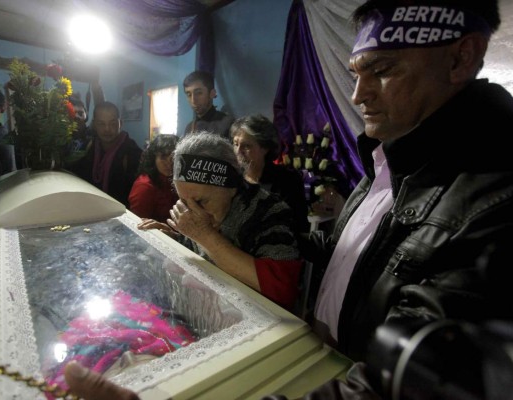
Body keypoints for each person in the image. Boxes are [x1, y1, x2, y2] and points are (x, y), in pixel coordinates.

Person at [63, 0, 513, 398]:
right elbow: (347, 256)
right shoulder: (385, 163)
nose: (359, 95)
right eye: (356, 72)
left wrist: (225, 237)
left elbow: (403, 382)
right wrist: (190, 239)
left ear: (460, 58)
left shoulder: (492, 202)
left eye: (384, 70)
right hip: (320, 354)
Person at [139, 132, 303, 310]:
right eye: (184, 201)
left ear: (231, 188)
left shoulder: (268, 210)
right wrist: (174, 239)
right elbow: (200, 252)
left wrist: (204, 236)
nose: (191, 212)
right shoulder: (203, 206)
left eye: (201, 202)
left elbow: (283, 289)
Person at [230, 114, 310, 234]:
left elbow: (299, 226)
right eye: (236, 144)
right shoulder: (232, 179)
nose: (238, 151)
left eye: (246, 146)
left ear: (265, 148)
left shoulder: (288, 180)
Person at [68, 101, 143, 207]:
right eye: (101, 124)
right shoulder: (88, 147)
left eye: (112, 124)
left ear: (120, 123)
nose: (107, 129)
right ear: (94, 125)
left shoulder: (132, 153)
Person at [128, 134, 179, 222]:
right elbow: (138, 223)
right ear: (153, 158)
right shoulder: (145, 186)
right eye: (163, 157)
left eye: (174, 158)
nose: (169, 163)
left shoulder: (177, 180)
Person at [183, 70, 234, 138]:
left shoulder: (227, 124)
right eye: (189, 95)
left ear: (212, 93)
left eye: (198, 93)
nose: (193, 100)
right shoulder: (189, 128)